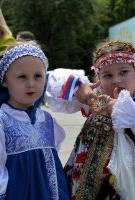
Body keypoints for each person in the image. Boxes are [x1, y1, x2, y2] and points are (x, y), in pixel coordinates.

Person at [0, 41, 70, 199]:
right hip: (19, 192)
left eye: (38, 76)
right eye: (22, 77)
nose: (31, 84)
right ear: (5, 80)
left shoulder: (46, 120)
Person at [52, 40, 135, 200]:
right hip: (79, 181)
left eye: (123, 72)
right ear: (98, 77)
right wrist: (78, 88)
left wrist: (120, 109)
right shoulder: (95, 100)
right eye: (107, 75)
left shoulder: (131, 108)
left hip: (117, 187)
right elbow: (51, 80)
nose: (116, 80)